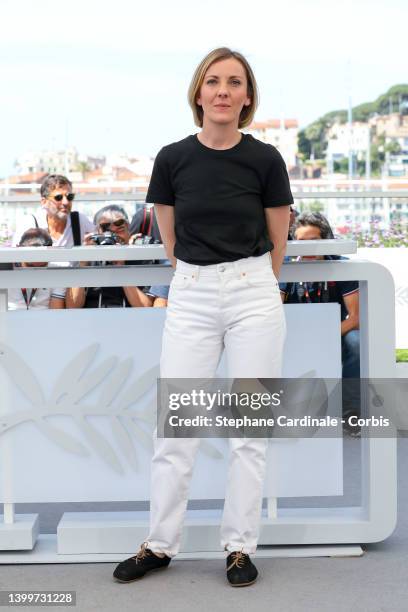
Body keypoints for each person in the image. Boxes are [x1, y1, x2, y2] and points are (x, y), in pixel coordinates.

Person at [113, 47, 293, 587]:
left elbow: (279, 239)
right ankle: (160, 544)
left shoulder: (265, 160)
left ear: (246, 96)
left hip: (254, 293)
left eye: (234, 82)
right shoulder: (172, 158)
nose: (222, 91)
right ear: (198, 93)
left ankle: (240, 547)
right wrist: (200, 279)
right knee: (177, 428)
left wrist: (250, 282)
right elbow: (170, 238)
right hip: (190, 295)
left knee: (249, 430)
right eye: (213, 81)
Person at [279, 212, 360, 427]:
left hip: (334, 335)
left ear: (325, 240)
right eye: (301, 242)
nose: (307, 249)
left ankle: (351, 412)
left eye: (313, 242)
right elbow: (274, 311)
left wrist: (323, 336)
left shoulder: (342, 267)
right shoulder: (285, 268)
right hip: (293, 336)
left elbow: (355, 318)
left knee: (357, 341)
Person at [66, 205, 167, 308]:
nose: (114, 238)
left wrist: (122, 268)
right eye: (108, 233)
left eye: (120, 230)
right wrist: (83, 264)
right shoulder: (89, 259)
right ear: (97, 233)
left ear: (128, 229)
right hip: (93, 321)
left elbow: (146, 306)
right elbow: (72, 306)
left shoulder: (141, 258)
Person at [12, 174, 94, 248]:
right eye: (58, 197)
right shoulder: (31, 223)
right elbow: (15, 259)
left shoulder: (78, 220)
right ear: (44, 202)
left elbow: (99, 238)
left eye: (70, 197)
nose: (65, 202)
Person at [8, 228, 65, 310]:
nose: (35, 272)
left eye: (42, 266)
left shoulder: (57, 271)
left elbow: (56, 312)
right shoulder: (5, 269)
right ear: (18, 249)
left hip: (43, 320)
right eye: (29, 266)